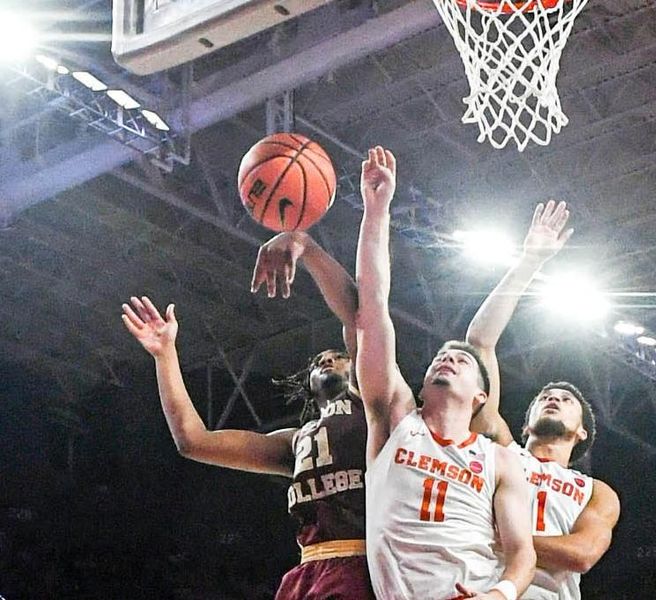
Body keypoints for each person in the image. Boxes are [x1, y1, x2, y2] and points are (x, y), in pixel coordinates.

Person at [121, 230, 374, 600]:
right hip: (307, 570)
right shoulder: (297, 440)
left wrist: (307, 246)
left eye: (338, 355)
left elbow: (357, 316)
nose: (326, 359)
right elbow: (194, 441)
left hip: (365, 562)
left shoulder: (374, 407)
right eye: (319, 360)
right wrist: (165, 356)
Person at [355, 145, 536, 600]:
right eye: (439, 357)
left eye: (463, 360)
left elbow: (522, 554)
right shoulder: (395, 418)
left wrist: (502, 595)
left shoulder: (499, 459)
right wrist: (376, 212)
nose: (447, 358)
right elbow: (373, 310)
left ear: (480, 395)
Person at [466, 200, 621, 600]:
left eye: (566, 399)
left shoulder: (595, 491)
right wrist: (530, 261)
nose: (553, 397)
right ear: (524, 423)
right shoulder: (501, 450)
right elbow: (480, 342)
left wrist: (501, 539)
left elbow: (583, 554)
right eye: (545, 396)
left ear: (582, 431)